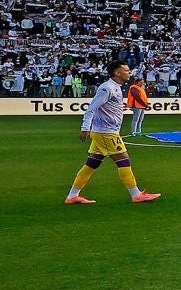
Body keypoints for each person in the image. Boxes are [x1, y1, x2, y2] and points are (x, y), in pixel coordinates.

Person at [65, 60, 160, 205]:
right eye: (126, 70)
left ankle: (72, 196)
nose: (129, 72)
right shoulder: (107, 88)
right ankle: (136, 194)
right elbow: (91, 108)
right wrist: (85, 128)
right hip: (106, 133)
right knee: (123, 161)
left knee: (91, 164)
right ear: (117, 72)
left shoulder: (115, 87)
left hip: (104, 132)